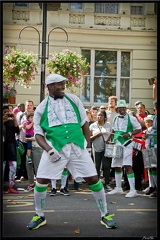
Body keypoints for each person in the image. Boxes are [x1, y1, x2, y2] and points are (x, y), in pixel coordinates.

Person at [27, 73, 117, 230]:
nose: (63, 86)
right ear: (48, 86)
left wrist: (87, 146)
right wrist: (49, 151)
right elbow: (38, 134)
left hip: (77, 148)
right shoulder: (41, 108)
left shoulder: (74, 100)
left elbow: (84, 124)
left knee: (94, 179)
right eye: (58, 84)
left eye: (63, 83)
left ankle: (105, 215)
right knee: (41, 181)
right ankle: (39, 215)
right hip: (55, 149)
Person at [107, 99, 141, 198]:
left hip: (127, 143)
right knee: (117, 165)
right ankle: (118, 188)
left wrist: (130, 133)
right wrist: (109, 138)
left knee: (127, 166)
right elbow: (114, 129)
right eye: (120, 108)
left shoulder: (131, 118)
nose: (122, 109)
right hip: (117, 142)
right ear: (117, 109)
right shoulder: (115, 118)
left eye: (123, 108)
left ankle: (133, 190)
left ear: (125, 109)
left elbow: (138, 128)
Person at [89, 110, 112, 191]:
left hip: (107, 148)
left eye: (101, 115)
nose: (99, 117)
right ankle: (97, 184)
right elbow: (89, 138)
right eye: (98, 115)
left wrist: (108, 140)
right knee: (96, 166)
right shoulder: (92, 125)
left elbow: (112, 135)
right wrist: (97, 135)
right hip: (96, 148)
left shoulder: (108, 125)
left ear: (104, 117)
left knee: (106, 166)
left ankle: (107, 183)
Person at [16, 100, 34, 181]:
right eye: (27, 105)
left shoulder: (36, 115)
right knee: (23, 159)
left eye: (30, 105)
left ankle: (32, 176)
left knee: (32, 159)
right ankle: (23, 175)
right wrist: (21, 126)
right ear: (25, 106)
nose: (29, 107)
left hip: (34, 141)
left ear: (33, 106)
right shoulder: (20, 115)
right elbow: (16, 127)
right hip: (22, 140)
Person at [3, 105, 20, 194]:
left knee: (13, 165)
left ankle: (11, 186)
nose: (7, 113)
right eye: (5, 112)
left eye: (8, 112)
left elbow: (17, 130)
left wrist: (14, 119)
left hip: (11, 145)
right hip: (3, 145)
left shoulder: (11, 121)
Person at [142, 115, 157, 198]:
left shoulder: (153, 131)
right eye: (146, 122)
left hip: (153, 150)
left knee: (154, 168)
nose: (148, 123)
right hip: (148, 150)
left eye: (150, 122)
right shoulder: (146, 131)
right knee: (149, 169)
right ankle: (152, 186)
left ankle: (155, 186)